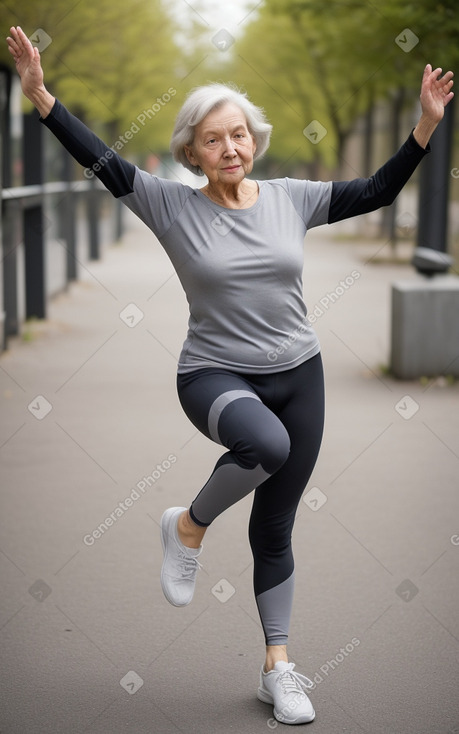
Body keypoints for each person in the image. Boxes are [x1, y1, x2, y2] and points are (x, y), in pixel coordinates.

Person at [7, 25, 454, 726]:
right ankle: (187, 527)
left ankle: (279, 668)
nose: (230, 148)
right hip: (214, 375)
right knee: (264, 448)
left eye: (239, 134)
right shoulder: (170, 205)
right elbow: (99, 160)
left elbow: (373, 191)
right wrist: (40, 96)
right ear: (190, 149)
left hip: (298, 375)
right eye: (213, 139)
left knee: (275, 528)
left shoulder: (289, 198)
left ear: (254, 139)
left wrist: (422, 127)